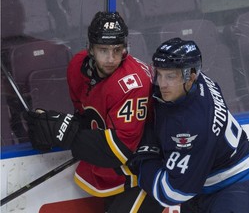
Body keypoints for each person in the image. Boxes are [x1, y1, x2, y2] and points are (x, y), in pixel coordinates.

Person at [24, 11, 164, 213]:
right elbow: (87, 119)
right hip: (117, 172)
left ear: (126, 48)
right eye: (103, 50)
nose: (111, 58)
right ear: (90, 49)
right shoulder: (76, 67)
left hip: (147, 171)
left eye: (117, 50)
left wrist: (67, 133)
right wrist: (55, 126)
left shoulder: (132, 84)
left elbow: (120, 150)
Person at [127, 37, 249, 212]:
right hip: (202, 185)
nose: (162, 84)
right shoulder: (192, 82)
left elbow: (172, 193)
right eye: (160, 74)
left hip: (239, 187)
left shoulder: (192, 126)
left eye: (171, 76)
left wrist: (144, 160)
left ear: (192, 76)